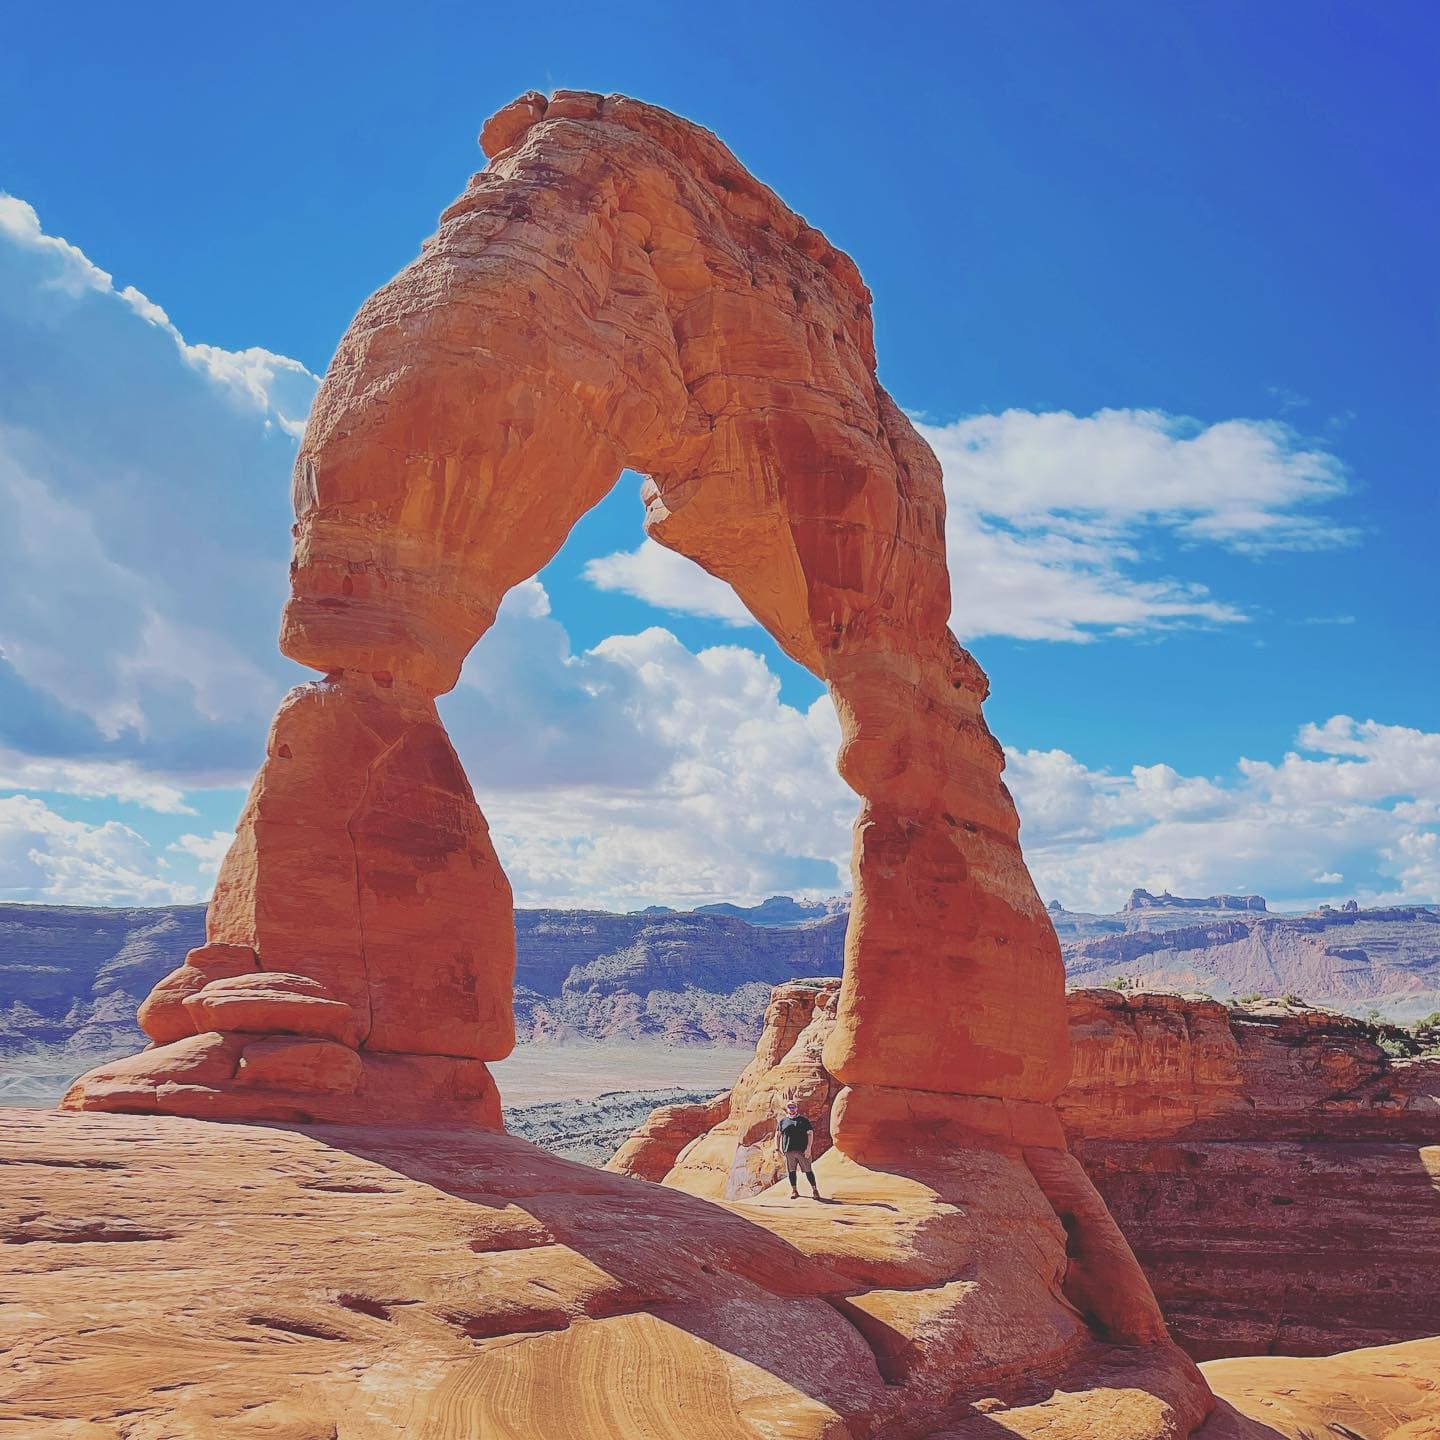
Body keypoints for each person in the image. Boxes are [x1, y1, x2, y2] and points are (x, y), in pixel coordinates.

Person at [776, 1098, 821, 1199]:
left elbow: (810, 1134)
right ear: (786, 1109)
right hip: (788, 1150)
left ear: (796, 1108)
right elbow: (778, 1135)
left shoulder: (803, 1120)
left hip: (802, 1150)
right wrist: (777, 1148)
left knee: (808, 1170)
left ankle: (815, 1190)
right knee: (791, 1171)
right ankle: (794, 1191)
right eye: (790, 1107)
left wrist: (808, 1148)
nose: (792, 1109)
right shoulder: (783, 1121)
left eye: (793, 1107)